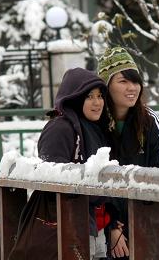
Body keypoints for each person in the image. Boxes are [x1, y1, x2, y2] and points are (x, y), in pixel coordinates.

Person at [9, 67, 112, 260]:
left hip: (94, 224)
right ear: (74, 98)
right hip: (66, 225)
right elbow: (53, 173)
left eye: (100, 96)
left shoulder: (94, 128)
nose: (97, 102)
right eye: (89, 96)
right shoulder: (60, 128)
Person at [97, 46, 159, 259]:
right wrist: (111, 225)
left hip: (143, 219)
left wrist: (138, 221)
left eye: (136, 81)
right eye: (123, 81)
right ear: (106, 85)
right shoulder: (95, 121)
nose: (132, 88)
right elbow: (91, 177)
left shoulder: (149, 121)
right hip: (103, 223)